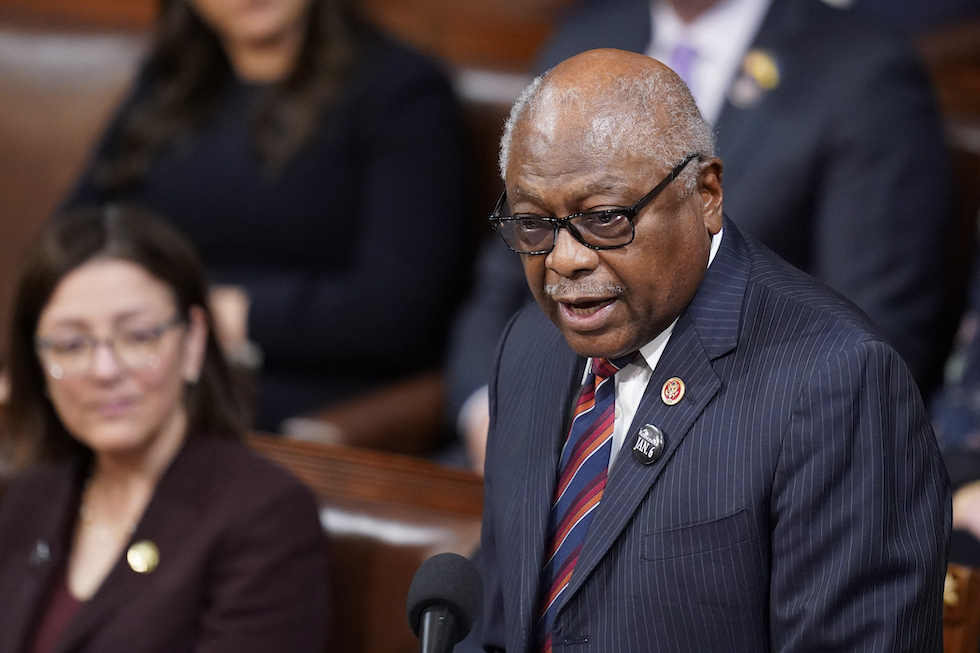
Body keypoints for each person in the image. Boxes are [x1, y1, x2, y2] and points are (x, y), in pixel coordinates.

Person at [477, 49, 949, 652]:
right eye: (533, 225)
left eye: (605, 218)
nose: (565, 259)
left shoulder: (836, 380)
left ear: (705, 193)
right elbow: (501, 624)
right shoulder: (530, 346)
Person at [446, 0, 952, 472]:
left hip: (734, 464)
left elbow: (874, 335)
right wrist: (489, 418)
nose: (571, 255)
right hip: (539, 447)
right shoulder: (587, 39)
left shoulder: (859, 71)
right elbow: (502, 283)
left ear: (710, 192)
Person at [65, 0, 470, 432]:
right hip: (150, 354)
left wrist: (222, 313)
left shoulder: (402, 91)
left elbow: (396, 313)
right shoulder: (174, 78)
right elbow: (73, 236)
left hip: (300, 390)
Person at [0, 206, 328, 653]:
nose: (104, 369)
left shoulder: (264, 516)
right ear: (38, 362)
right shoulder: (24, 499)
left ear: (192, 341)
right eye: (72, 344)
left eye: (137, 336)